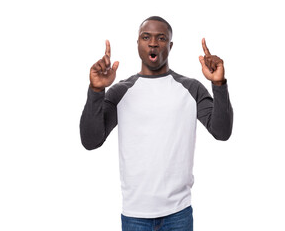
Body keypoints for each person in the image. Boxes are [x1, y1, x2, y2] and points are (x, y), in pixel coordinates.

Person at [80, 16, 233, 231]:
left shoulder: (191, 88)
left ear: (170, 46)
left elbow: (222, 131)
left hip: (178, 213)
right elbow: (91, 140)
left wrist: (218, 84)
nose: (153, 43)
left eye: (161, 38)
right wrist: (96, 90)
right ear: (138, 44)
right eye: (146, 37)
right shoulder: (121, 91)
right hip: (135, 215)